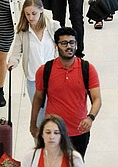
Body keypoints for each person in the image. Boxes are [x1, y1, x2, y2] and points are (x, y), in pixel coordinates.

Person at [30, 27, 102, 158]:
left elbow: (97, 99)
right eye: (64, 43)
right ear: (56, 46)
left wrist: (90, 117)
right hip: (53, 132)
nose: (69, 46)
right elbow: (38, 98)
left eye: (72, 43)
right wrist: (33, 124)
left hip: (80, 131)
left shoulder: (87, 69)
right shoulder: (45, 70)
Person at [9, 0, 60, 120]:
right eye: (27, 14)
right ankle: (40, 139)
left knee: (54, 115)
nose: (30, 17)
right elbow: (16, 52)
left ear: (41, 10)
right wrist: (12, 62)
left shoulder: (53, 27)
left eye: (34, 13)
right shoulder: (23, 32)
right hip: (33, 80)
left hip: (53, 78)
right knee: (39, 117)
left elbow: (64, 46)